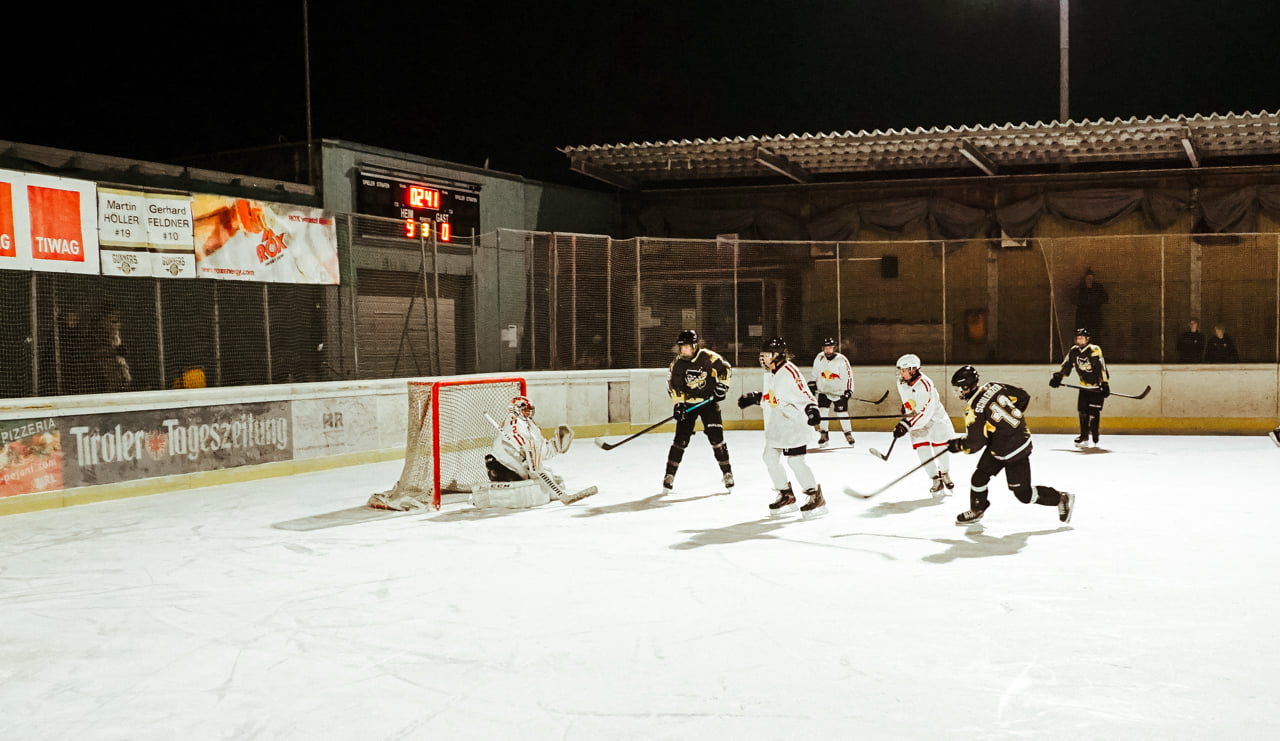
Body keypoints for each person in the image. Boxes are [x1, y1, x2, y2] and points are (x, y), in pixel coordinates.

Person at [947, 365, 1075, 526]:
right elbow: (1023, 397)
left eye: (959, 388)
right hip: (1004, 443)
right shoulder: (994, 386)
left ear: (966, 387)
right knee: (979, 478)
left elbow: (975, 443)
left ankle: (1061, 498)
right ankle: (978, 509)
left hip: (1015, 450)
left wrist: (958, 445)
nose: (958, 392)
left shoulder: (973, 409)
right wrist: (1008, 426)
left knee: (1024, 495)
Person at [739, 337, 826, 518]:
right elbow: (774, 399)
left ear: (778, 355)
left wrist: (812, 409)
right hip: (777, 425)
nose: (763, 358)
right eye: (762, 355)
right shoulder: (770, 373)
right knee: (769, 457)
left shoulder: (789, 371)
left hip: (794, 425)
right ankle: (786, 494)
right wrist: (756, 398)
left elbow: (806, 394)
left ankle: (815, 495)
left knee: (795, 461)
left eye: (767, 355)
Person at [477, 395, 597, 507]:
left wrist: (555, 446)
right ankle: (496, 477)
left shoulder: (530, 425)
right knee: (531, 484)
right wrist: (526, 449)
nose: (527, 412)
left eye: (529, 410)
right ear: (516, 410)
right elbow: (515, 436)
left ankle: (555, 493)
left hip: (518, 464)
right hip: (501, 464)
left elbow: (540, 447)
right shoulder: (513, 420)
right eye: (524, 410)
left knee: (547, 475)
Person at [663, 330, 735, 492]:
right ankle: (669, 475)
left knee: (717, 438)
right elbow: (673, 386)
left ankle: (727, 473)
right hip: (689, 404)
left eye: (687, 347)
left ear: (695, 346)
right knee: (680, 440)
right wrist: (679, 404)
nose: (683, 351)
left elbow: (726, 369)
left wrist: (722, 387)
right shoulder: (678, 364)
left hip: (708, 403)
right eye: (681, 348)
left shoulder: (708, 357)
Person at [892, 354, 956, 496]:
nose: (901, 374)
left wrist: (905, 425)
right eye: (900, 370)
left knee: (940, 446)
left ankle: (945, 473)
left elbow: (924, 412)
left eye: (903, 370)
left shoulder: (925, 386)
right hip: (916, 420)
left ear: (913, 369)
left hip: (934, 419)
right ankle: (935, 479)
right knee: (922, 450)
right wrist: (906, 411)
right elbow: (909, 403)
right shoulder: (901, 382)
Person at [1050, 328, 1110, 449]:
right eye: (1077, 338)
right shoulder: (1074, 351)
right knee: (1083, 413)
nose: (1079, 340)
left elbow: (1101, 366)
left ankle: (1094, 432)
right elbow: (1066, 365)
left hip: (1096, 388)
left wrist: (1104, 383)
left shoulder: (1094, 349)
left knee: (1093, 413)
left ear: (1087, 339)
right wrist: (1058, 377)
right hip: (1083, 388)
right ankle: (1084, 435)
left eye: (1082, 337)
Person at [809, 337, 855, 448]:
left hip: (838, 392)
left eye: (830, 348)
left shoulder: (841, 360)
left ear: (834, 348)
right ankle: (824, 434)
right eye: (826, 348)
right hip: (824, 391)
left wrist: (849, 391)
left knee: (842, 413)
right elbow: (815, 372)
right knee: (823, 412)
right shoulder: (819, 358)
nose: (828, 350)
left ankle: (848, 433)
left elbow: (848, 376)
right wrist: (812, 384)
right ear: (823, 348)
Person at [1074, 267, 1109, 339]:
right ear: (1085, 278)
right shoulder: (1081, 288)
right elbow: (1074, 299)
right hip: (1083, 319)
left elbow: (1105, 298)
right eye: (1088, 278)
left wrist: (1095, 301)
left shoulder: (1098, 288)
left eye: (1091, 278)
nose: (1089, 280)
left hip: (1095, 319)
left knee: (1095, 337)